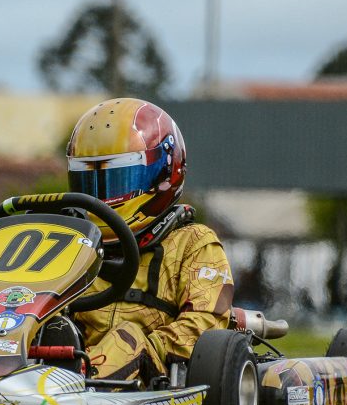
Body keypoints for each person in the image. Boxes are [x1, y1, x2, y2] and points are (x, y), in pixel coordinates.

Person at [67, 98, 234, 384]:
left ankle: (74, 389)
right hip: (74, 362)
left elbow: (205, 323)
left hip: (154, 379)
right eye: (89, 182)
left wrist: (144, 348)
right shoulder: (75, 245)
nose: (103, 197)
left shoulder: (193, 242)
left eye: (118, 180)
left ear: (164, 174)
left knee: (126, 337)